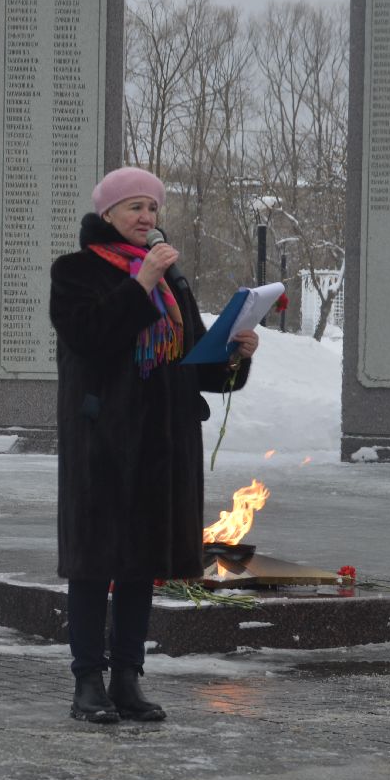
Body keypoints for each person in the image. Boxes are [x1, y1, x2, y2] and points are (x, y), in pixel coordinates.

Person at [49, 166, 258, 723]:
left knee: (140, 564)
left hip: (163, 445)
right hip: (104, 443)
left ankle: (127, 679)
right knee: (96, 564)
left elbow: (197, 367)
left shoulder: (173, 281)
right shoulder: (76, 272)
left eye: (153, 209)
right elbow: (91, 338)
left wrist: (237, 353)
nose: (147, 219)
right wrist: (140, 283)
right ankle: (86, 682)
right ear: (109, 215)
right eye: (135, 208)